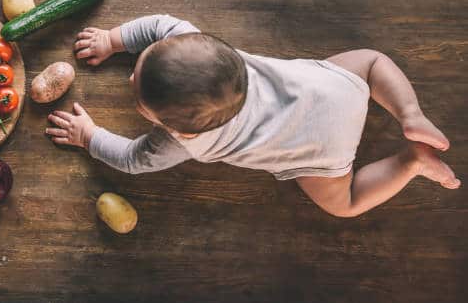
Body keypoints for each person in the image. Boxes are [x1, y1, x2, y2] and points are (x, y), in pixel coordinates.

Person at [45, 15, 460, 217]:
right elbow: (158, 25)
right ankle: (410, 113)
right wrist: (114, 39)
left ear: (173, 130)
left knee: (345, 203)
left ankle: (411, 162)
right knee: (370, 63)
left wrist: (89, 135)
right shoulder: (187, 39)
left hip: (321, 152)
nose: (130, 77)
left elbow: (134, 159)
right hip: (335, 93)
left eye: (137, 94)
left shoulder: (184, 142)